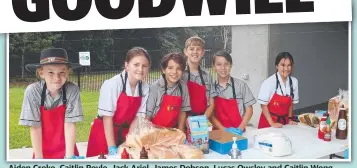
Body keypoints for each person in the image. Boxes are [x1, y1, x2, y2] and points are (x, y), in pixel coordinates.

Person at [86, 47, 151, 157]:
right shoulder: (112, 84)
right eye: (136, 64)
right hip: (104, 133)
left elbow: (138, 117)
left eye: (144, 66)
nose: (140, 69)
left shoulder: (144, 88)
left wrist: (128, 142)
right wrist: (111, 147)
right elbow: (107, 118)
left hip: (125, 134)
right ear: (127, 65)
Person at [19, 48, 83, 159]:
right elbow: (35, 127)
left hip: (67, 148)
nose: (57, 78)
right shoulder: (32, 91)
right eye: (51, 72)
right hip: (41, 150)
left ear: (68, 72)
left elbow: (69, 124)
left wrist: (69, 157)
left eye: (62, 72)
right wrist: (39, 159)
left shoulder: (72, 90)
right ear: (41, 73)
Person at [209, 50, 256, 135]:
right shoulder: (210, 89)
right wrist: (224, 130)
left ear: (230, 66)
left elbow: (249, 110)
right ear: (214, 67)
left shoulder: (241, 85)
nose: (223, 68)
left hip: (239, 132)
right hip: (218, 133)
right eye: (219, 64)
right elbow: (210, 115)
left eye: (226, 64)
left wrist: (240, 129)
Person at [146, 53, 191, 132]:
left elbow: (183, 111)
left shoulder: (183, 86)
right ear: (164, 70)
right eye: (170, 68)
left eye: (179, 69)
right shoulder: (155, 88)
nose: (174, 72)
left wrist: (181, 133)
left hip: (173, 131)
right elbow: (148, 115)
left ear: (183, 71)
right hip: (154, 131)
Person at [257, 52, 299, 129]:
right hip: (269, 122)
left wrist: (290, 119)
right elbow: (263, 105)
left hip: (285, 122)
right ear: (277, 66)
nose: (286, 69)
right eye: (283, 65)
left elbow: (290, 103)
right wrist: (272, 123)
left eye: (289, 65)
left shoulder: (294, 82)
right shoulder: (269, 82)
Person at [182, 36, 217, 119]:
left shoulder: (207, 75)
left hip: (202, 120)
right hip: (183, 120)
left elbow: (212, 104)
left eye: (198, 49)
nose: (195, 52)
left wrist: (201, 121)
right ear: (185, 51)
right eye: (191, 49)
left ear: (203, 52)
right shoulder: (180, 74)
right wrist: (186, 120)